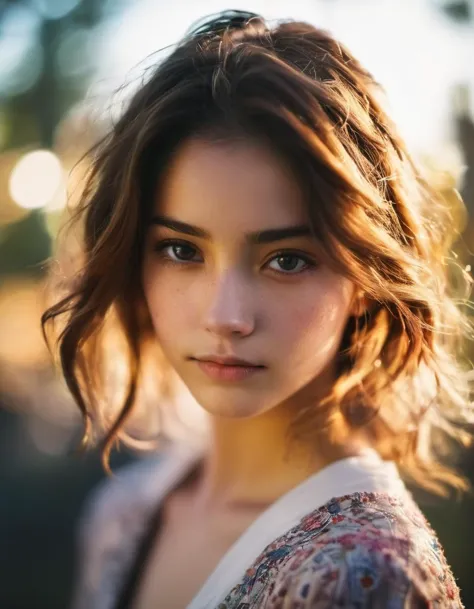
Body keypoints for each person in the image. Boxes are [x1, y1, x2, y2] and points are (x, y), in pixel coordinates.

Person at [41, 9, 473, 609]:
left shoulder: (364, 576)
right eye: (180, 250)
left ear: (366, 279)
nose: (226, 316)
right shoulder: (124, 512)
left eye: (288, 259)